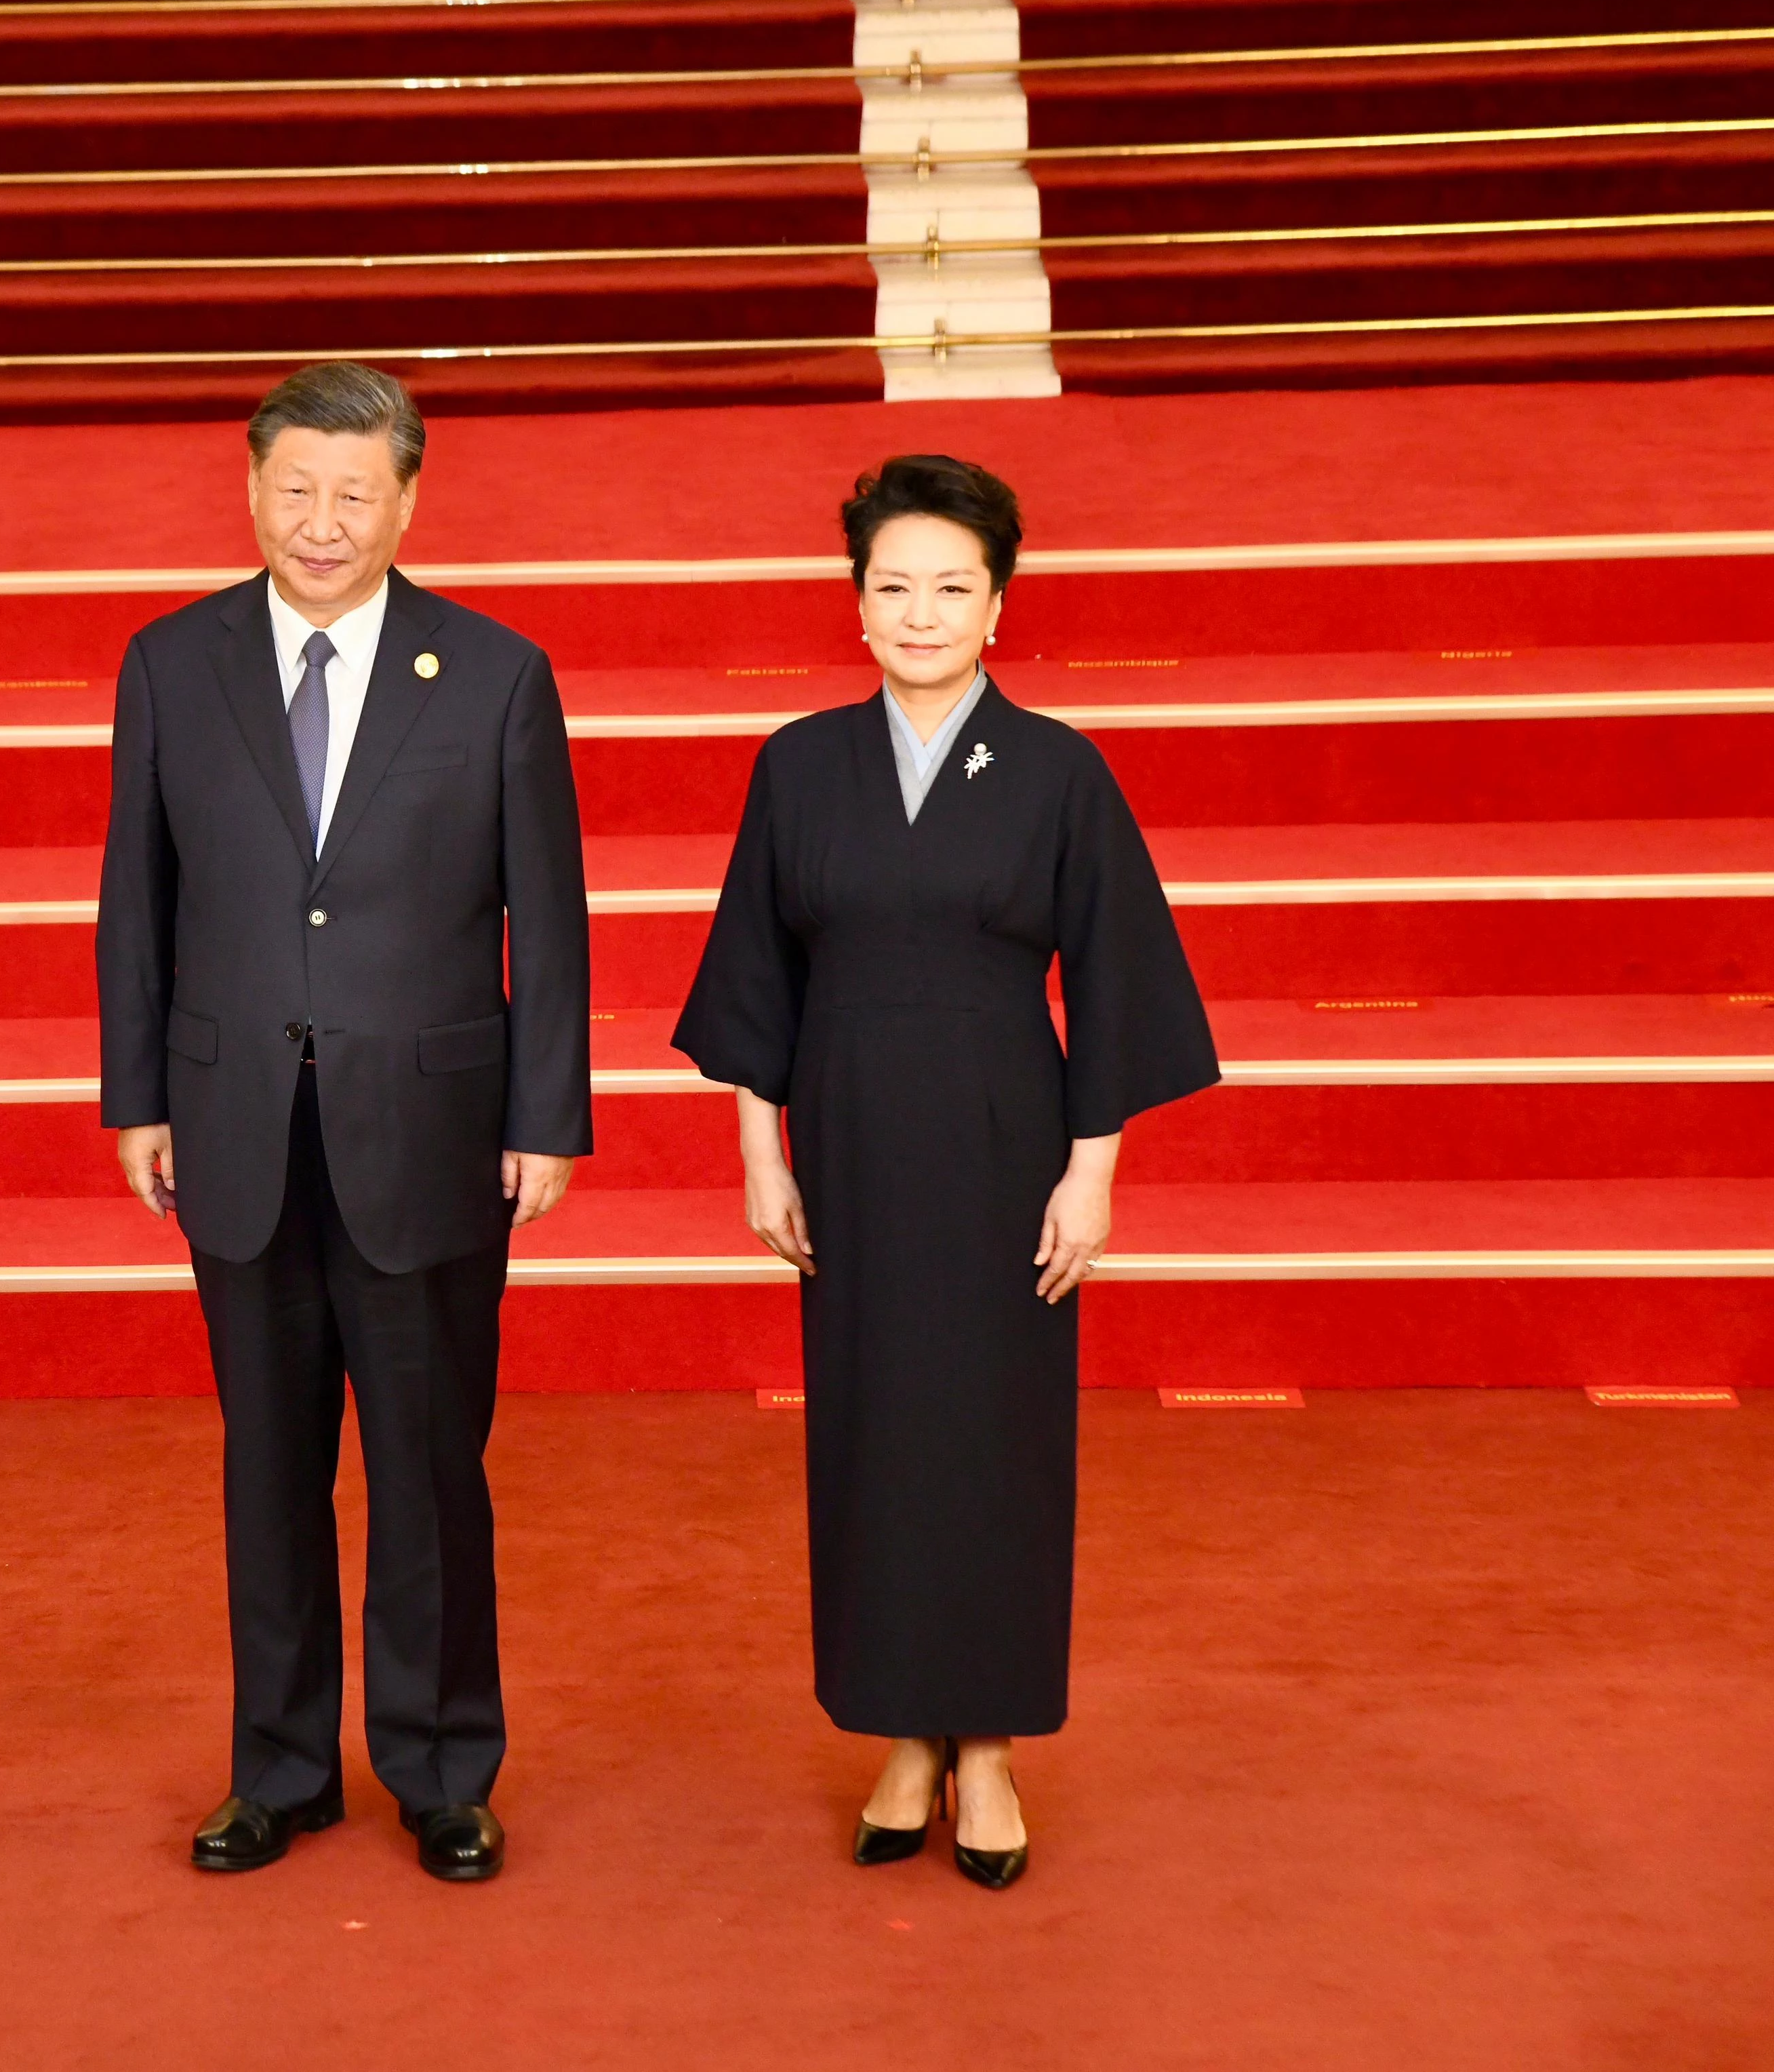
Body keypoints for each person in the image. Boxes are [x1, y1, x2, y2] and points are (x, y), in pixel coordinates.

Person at [672, 454, 1217, 1890]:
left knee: (992, 1445)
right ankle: (899, 1735)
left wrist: (1090, 1172)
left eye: (950, 589)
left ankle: (986, 1752)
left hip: (999, 1144)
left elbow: (1115, 982)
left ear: (997, 605)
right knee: (870, 1440)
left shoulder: (1056, 770)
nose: (919, 614)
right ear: (854, 605)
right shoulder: (797, 764)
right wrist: (757, 1152)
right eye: (891, 587)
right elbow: (752, 977)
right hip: (844, 1146)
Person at [97, 361, 592, 1884]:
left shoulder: (496, 671)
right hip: (234, 1118)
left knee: (432, 1462)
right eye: (294, 490)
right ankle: (281, 1766)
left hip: (432, 1128)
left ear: (407, 501)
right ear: (252, 491)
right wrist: (136, 1095)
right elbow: (140, 897)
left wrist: (547, 1116)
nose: (321, 521)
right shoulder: (171, 664)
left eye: (353, 493)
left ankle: (443, 1764)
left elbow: (549, 918)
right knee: (268, 1464)